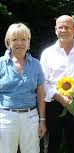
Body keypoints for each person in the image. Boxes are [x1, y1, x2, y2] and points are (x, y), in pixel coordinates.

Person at [40, 15, 74, 153]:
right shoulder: (47, 53)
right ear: (55, 30)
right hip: (53, 104)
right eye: (60, 27)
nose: (64, 30)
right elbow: (43, 82)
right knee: (52, 144)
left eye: (67, 27)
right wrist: (60, 98)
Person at [0, 23, 46, 153]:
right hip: (5, 117)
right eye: (15, 39)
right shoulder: (1, 64)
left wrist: (42, 120)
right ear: (8, 42)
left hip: (31, 117)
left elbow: (41, 94)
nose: (19, 43)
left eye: (23, 39)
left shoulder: (36, 64)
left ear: (28, 42)